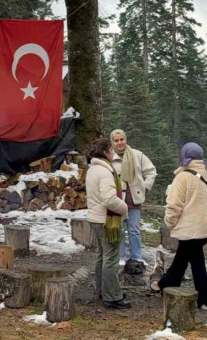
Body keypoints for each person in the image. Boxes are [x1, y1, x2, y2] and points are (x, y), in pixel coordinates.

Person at [150, 143, 207, 310]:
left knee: (195, 260)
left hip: (192, 228)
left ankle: (204, 300)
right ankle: (167, 285)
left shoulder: (182, 177)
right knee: (187, 257)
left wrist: (170, 223)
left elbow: (173, 205)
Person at [85, 138, 131, 309]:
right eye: (111, 150)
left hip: (96, 218)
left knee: (103, 256)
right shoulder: (105, 172)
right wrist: (124, 209)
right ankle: (112, 297)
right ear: (105, 153)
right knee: (111, 258)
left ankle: (102, 290)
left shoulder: (93, 169)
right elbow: (109, 199)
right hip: (106, 221)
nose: (113, 153)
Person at [110, 129, 157, 265]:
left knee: (134, 229)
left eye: (122, 139)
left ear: (126, 139)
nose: (120, 143)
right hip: (117, 198)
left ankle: (136, 256)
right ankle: (121, 257)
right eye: (116, 140)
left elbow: (151, 171)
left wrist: (145, 187)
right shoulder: (110, 157)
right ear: (112, 142)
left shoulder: (137, 155)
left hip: (134, 197)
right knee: (119, 228)